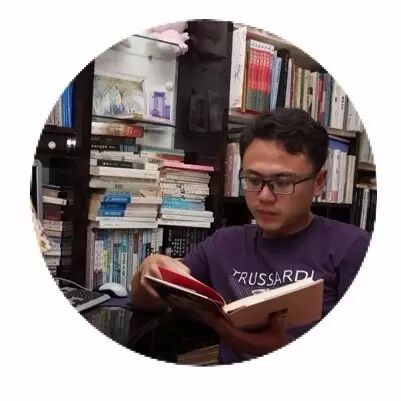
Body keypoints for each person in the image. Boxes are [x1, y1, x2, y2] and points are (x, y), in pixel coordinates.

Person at [131, 108, 371, 364]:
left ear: (318, 183)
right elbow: (147, 303)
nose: (264, 197)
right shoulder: (224, 243)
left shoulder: (353, 247)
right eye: (254, 180)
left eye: (282, 183)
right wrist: (148, 272)